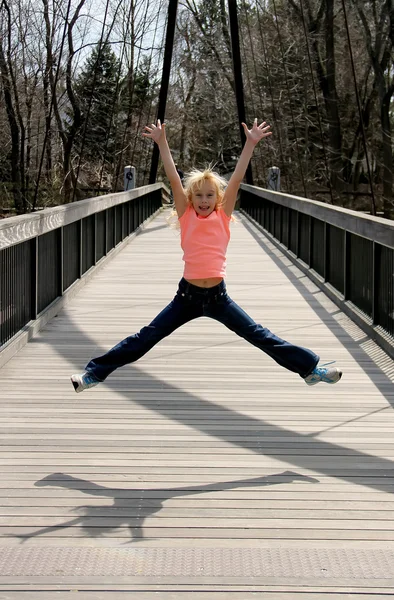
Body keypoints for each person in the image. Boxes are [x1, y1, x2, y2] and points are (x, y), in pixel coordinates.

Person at [71, 118, 342, 393]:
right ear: (190, 198)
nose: (203, 200)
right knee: (147, 337)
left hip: (218, 298)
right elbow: (173, 178)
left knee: (259, 335)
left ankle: (309, 370)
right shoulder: (186, 215)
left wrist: (250, 143)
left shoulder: (223, 216)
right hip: (186, 298)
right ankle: (93, 374)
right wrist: (162, 142)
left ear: (218, 198)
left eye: (209, 195)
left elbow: (236, 177)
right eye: (198, 195)